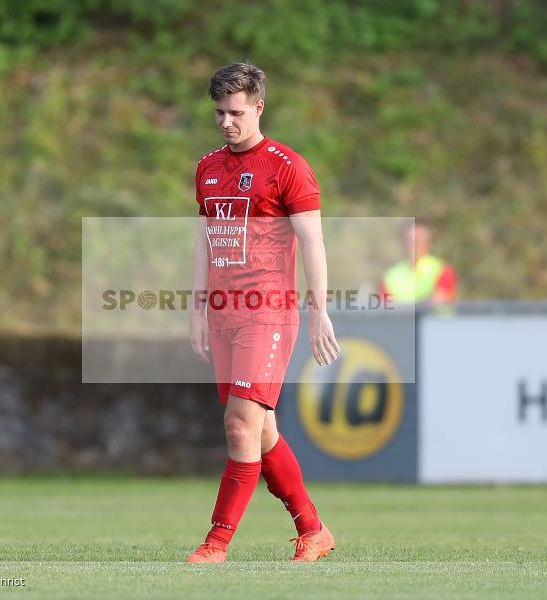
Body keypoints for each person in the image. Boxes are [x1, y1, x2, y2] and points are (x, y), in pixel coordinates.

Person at [187, 63, 340, 563]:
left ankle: (217, 541)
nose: (226, 122)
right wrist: (196, 305)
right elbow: (205, 240)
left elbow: (313, 242)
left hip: (268, 313)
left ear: (258, 107)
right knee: (261, 430)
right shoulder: (208, 168)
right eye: (218, 112)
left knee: (238, 425)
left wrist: (319, 310)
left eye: (235, 112)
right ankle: (313, 530)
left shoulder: (287, 166)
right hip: (224, 315)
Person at [380, 219, 456, 304]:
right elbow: (385, 307)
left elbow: (439, 302)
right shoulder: (391, 275)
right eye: (411, 241)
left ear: (428, 243)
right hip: (400, 317)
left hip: (431, 317)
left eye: (418, 241)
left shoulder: (442, 270)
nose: (414, 246)